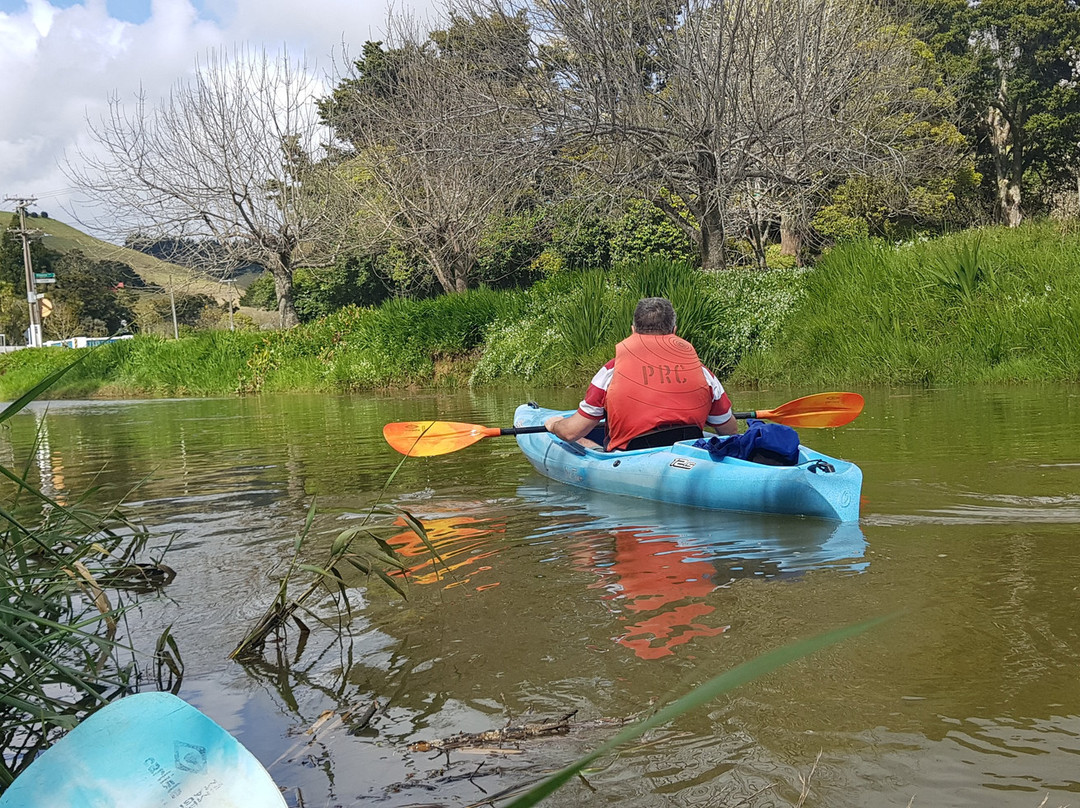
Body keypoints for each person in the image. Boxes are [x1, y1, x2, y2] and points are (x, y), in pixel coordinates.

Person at [545, 297, 739, 451]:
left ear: (633, 330)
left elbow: (571, 433)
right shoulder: (703, 373)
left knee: (581, 441)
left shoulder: (611, 371)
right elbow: (729, 430)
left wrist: (554, 426)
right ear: (674, 330)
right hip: (687, 453)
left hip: (632, 455)